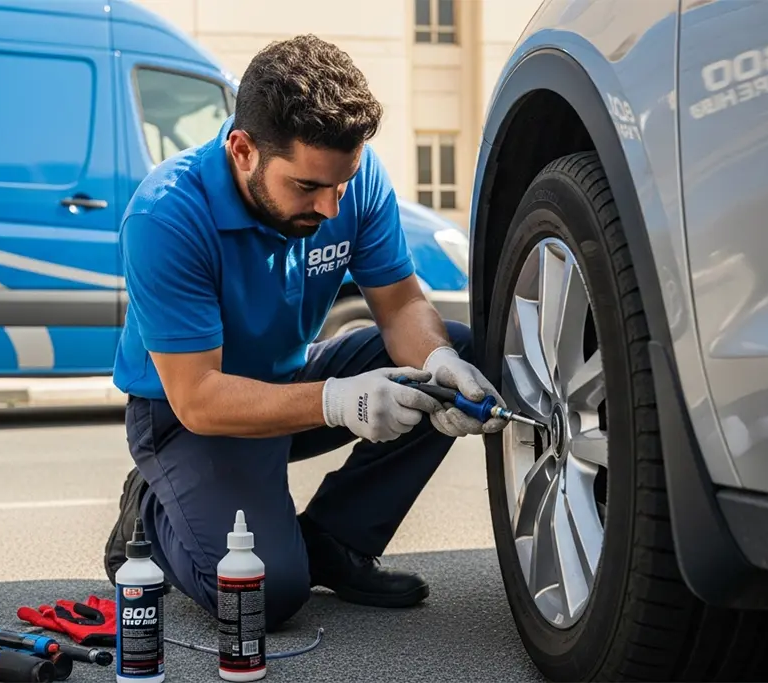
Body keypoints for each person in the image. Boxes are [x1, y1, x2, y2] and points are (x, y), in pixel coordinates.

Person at [105, 34, 507, 631]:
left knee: (459, 351)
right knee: (264, 596)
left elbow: (399, 309)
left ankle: (334, 540)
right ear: (243, 150)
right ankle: (148, 509)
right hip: (187, 417)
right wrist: (339, 401)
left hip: (290, 378)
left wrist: (441, 363)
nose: (329, 207)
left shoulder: (352, 179)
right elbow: (198, 396)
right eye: (307, 187)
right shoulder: (166, 214)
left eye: (340, 184)